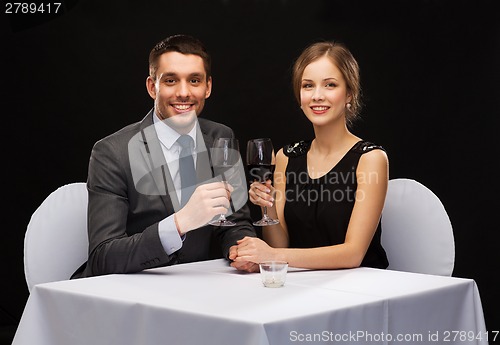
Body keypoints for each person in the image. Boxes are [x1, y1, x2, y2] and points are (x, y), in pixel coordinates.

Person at [72, 34, 257, 278]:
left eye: (194, 80)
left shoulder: (221, 137)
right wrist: (179, 223)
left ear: (208, 87)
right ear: (152, 86)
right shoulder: (112, 152)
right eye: (171, 80)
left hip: (203, 291)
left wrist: (241, 248)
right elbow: (103, 257)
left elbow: (235, 222)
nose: (184, 92)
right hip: (130, 297)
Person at [233, 40, 389, 270]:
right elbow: (280, 243)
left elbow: (352, 255)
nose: (317, 96)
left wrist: (271, 255)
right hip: (303, 285)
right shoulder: (286, 157)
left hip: (360, 288)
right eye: (308, 86)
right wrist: (267, 206)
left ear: (349, 94)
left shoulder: (371, 158)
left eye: (330, 85)